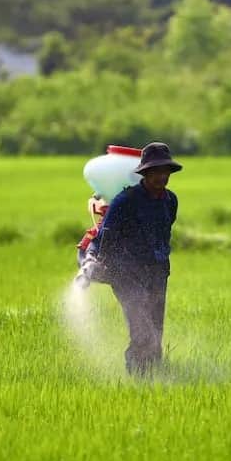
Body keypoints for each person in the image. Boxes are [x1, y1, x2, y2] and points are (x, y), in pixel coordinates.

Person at [88, 142, 181, 376]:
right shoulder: (126, 201)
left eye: (165, 172)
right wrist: (97, 262)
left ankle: (155, 373)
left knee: (156, 328)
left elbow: (164, 232)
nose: (162, 176)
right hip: (127, 273)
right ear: (145, 173)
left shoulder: (170, 201)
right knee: (142, 329)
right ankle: (137, 376)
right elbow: (104, 236)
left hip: (158, 272)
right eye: (156, 172)